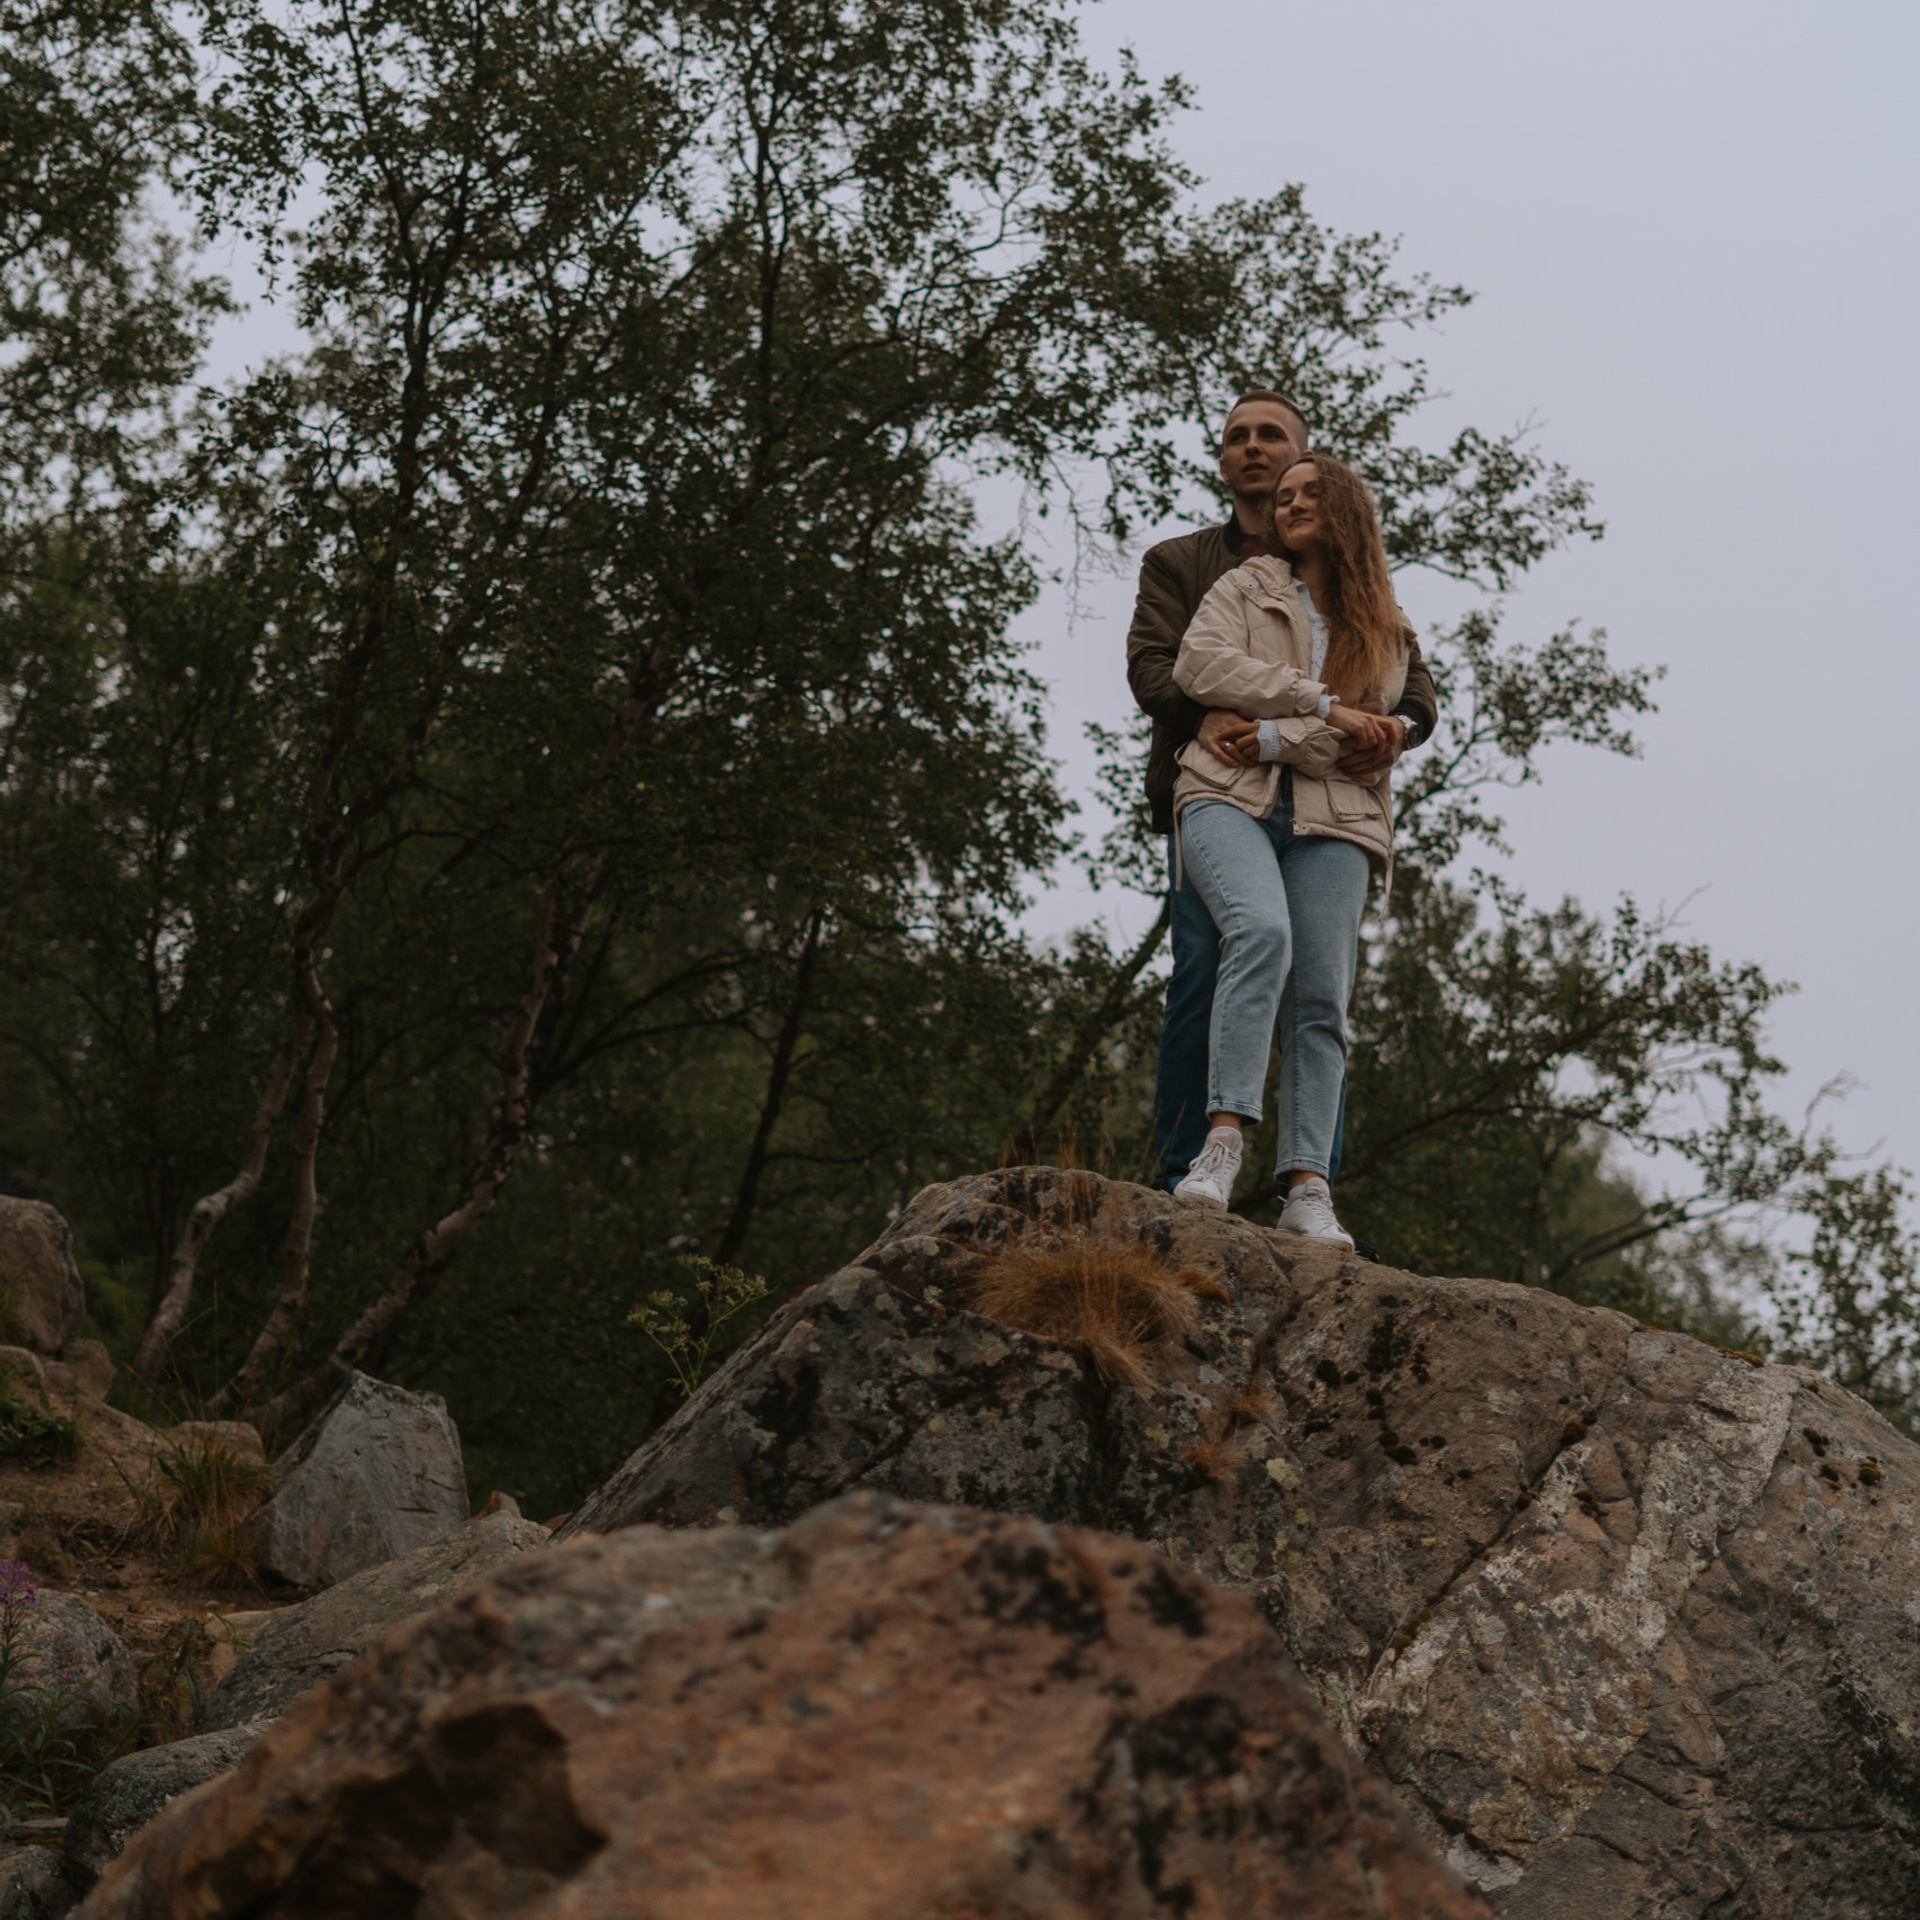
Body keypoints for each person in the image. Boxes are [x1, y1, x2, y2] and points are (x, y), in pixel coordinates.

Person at [1125, 395, 1436, 1191]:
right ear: (1225, 462)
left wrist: (1390, 726)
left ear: (1309, 458)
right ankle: (1183, 1171)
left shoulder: (1370, 598)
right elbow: (1161, 668)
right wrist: (1212, 720)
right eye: (1238, 438)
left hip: (1329, 803)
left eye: (1272, 437)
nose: (1254, 449)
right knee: (1206, 969)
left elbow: (1412, 696)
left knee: (1318, 990)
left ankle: (1309, 1183)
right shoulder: (1188, 563)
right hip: (1217, 793)